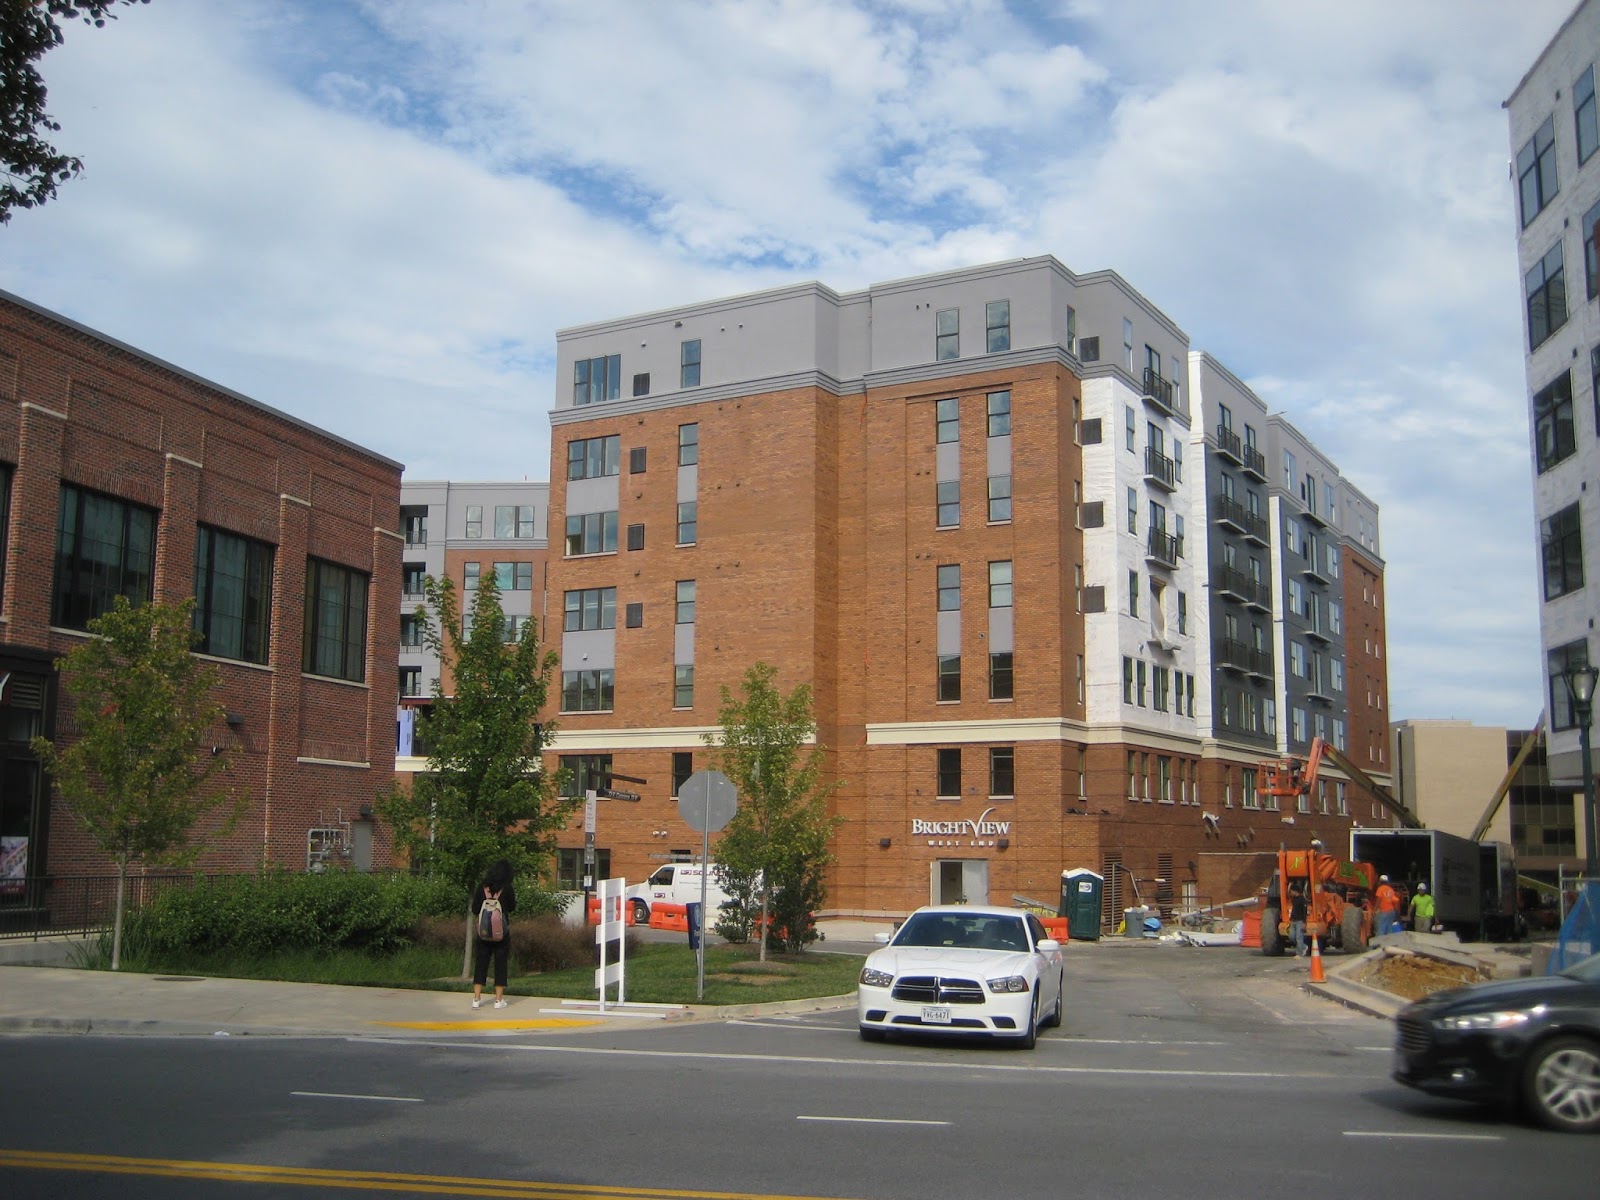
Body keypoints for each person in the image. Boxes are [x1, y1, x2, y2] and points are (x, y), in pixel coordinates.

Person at [471, 859, 517, 1010]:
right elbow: (512, 907)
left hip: (483, 933)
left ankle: (476, 998)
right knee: (500, 964)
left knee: (481, 963)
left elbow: (475, 909)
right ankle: (498, 1000)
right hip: (501, 933)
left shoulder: (482, 888)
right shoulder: (507, 889)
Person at [1288, 880, 1309, 957]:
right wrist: (1290, 918)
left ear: (1294, 891)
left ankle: (1299, 953)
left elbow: (1304, 912)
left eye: (1291, 891)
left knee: (1299, 937)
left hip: (1300, 921)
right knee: (1291, 936)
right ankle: (1304, 946)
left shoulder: (1302, 899)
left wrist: (1304, 922)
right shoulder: (1294, 900)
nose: (1290, 893)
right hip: (1293, 921)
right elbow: (1293, 909)